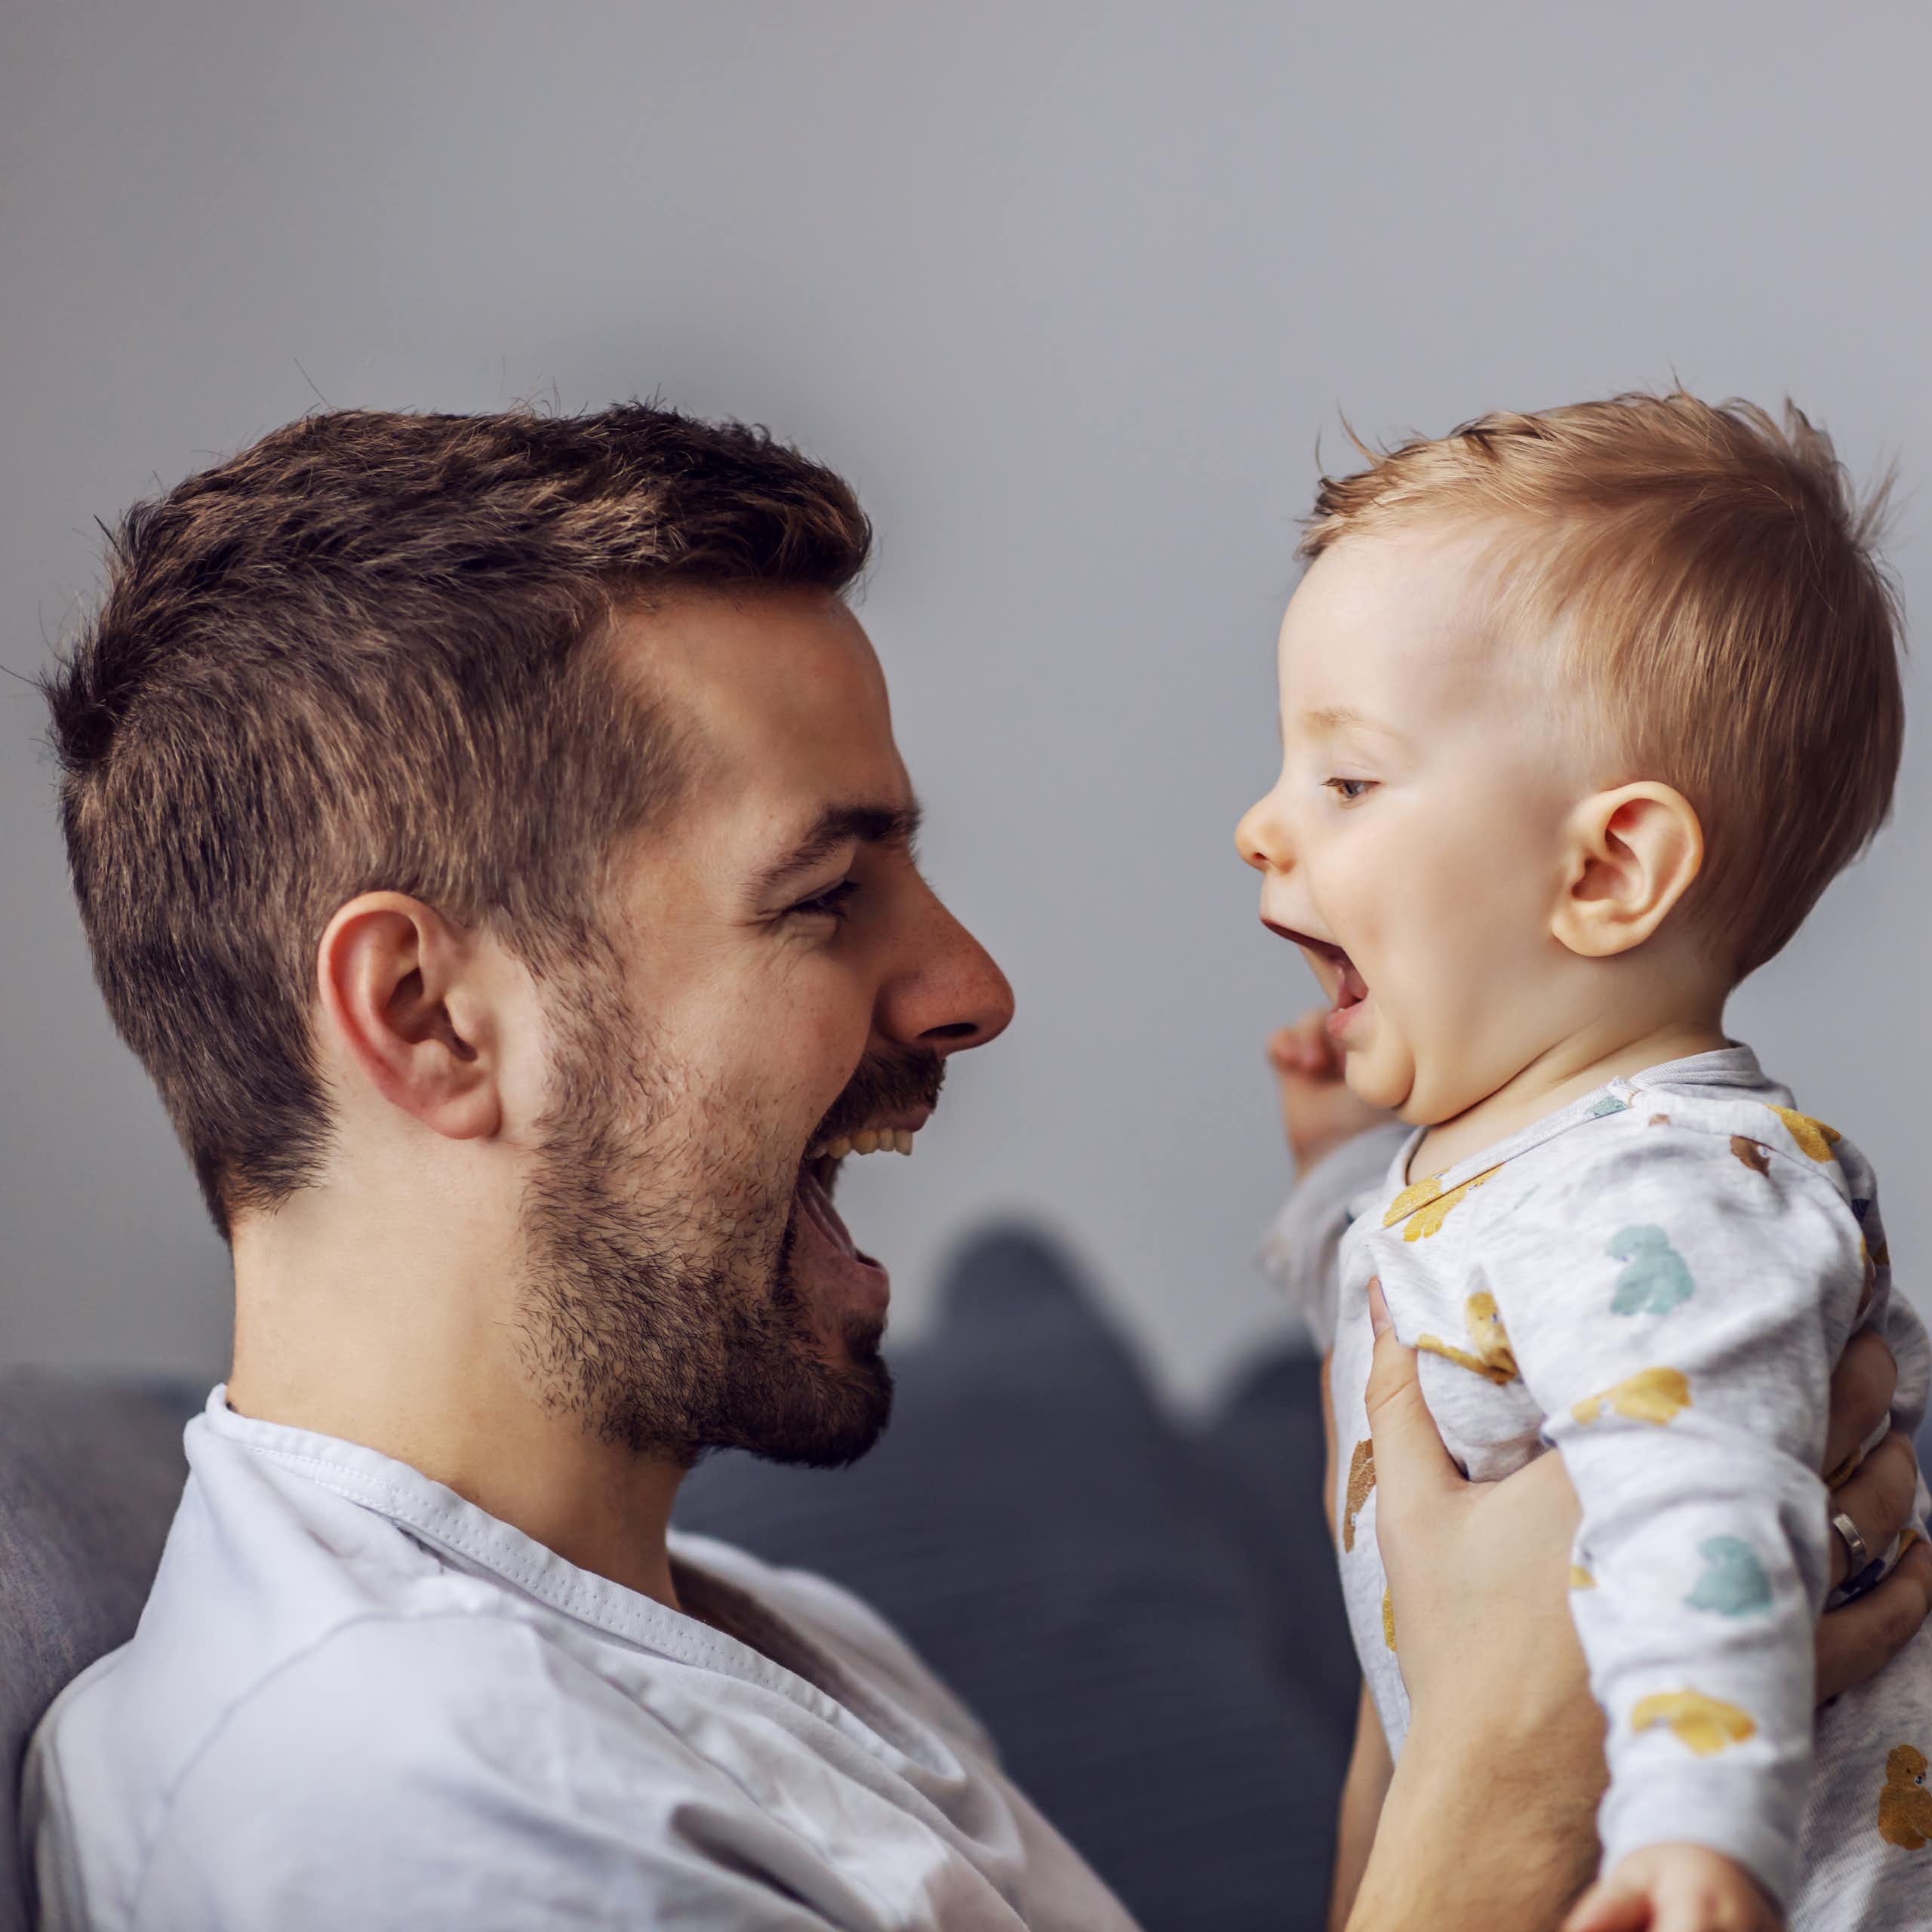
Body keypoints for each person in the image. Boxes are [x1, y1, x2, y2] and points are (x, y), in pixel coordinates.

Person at [20, 404, 1929, 1931]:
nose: (973, 986)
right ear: (428, 1016)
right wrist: (1510, 1771)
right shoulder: (394, 1811)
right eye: (825, 894)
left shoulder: (784, 1641)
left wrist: (1470, 1658)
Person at [1239, 392, 1932, 1931]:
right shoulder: (1526, 1168)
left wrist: (1702, 1836)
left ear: (1605, 868)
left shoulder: (1671, 1194)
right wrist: (1337, 1189)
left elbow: (1703, 1509)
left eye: (1343, 780)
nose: (1256, 826)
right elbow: (1434, 1360)